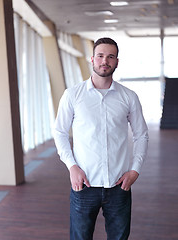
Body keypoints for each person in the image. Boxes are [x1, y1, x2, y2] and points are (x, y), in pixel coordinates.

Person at [54, 37, 149, 240]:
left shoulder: (129, 97)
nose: (104, 60)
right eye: (100, 55)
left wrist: (135, 170)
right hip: (84, 184)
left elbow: (141, 134)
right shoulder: (72, 95)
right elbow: (60, 132)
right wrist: (72, 166)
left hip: (119, 185)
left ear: (116, 61)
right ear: (92, 59)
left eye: (110, 56)